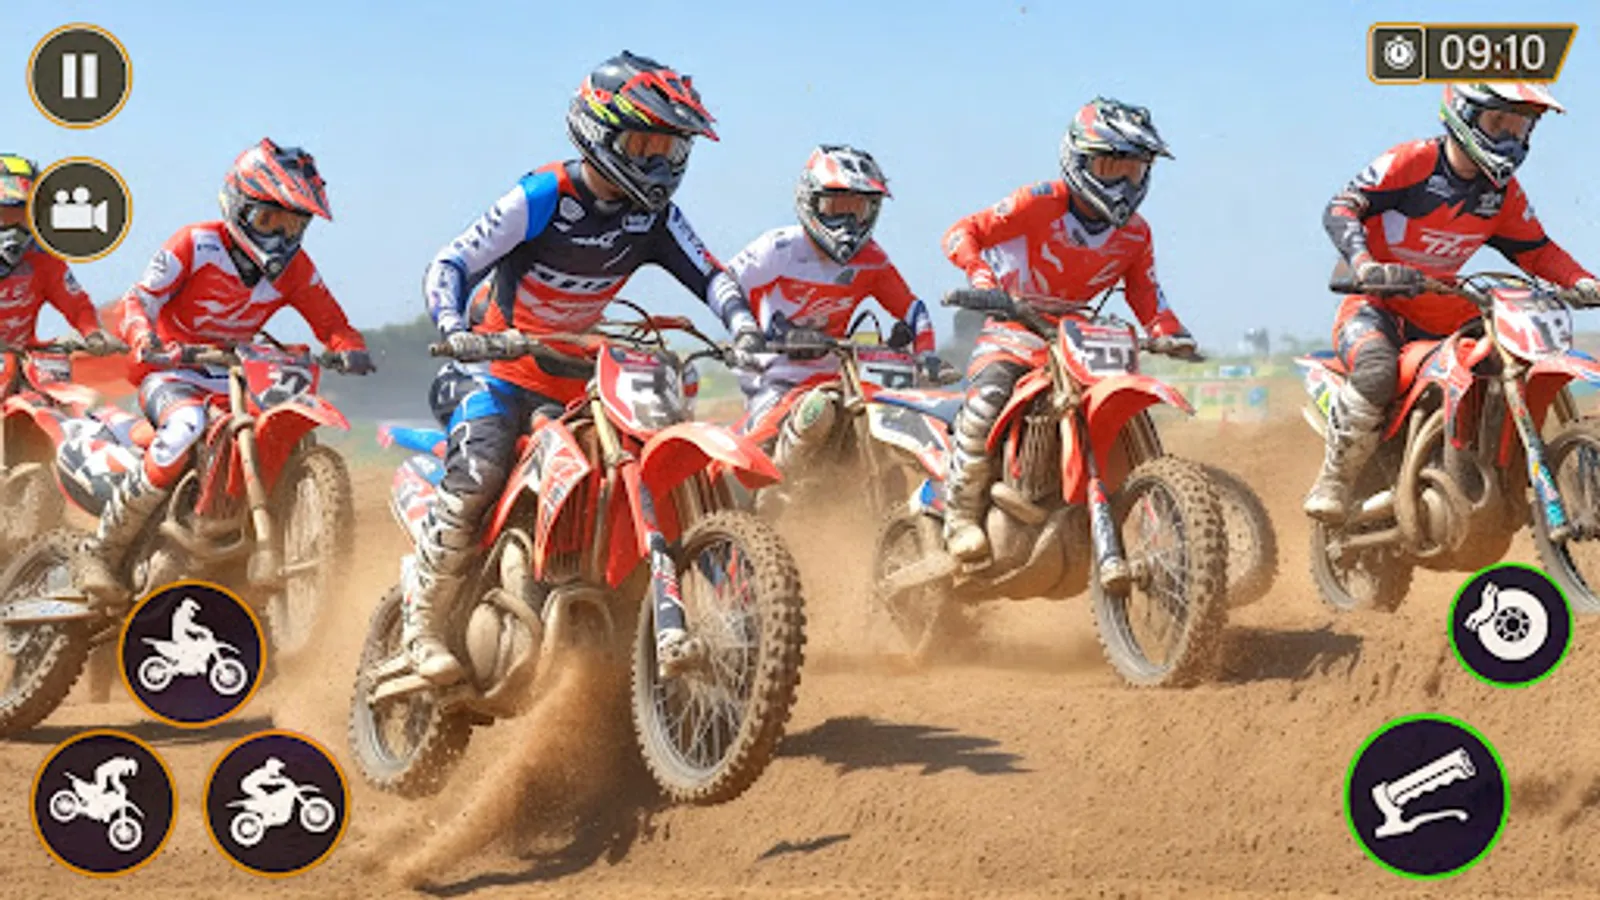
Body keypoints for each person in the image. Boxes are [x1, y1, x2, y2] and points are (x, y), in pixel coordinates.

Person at [404, 51, 765, 685]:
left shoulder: (653, 216)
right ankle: (423, 626)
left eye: (670, 148)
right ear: (600, 131)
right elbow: (451, 263)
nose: (659, 162)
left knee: (641, 453)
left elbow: (712, 275)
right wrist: (455, 329)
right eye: (646, 144)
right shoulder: (544, 195)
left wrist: (742, 327)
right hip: (493, 371)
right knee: (480, 473)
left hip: (578, 377)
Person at [76, 139, 374, 604]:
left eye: (294, 224)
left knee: (275, 425)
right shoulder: (196, 243)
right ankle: (101, 551)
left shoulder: (295, 269)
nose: (281, 235)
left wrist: (350, 349)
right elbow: (140, 299)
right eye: (269, 219)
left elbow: (333, 324)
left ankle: (243, 531)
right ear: (238, 206)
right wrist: (144, 337)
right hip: (173, 370)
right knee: (185, 426)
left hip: (236, 374)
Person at [1304, 82, 1600, 520]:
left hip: (1446, 306)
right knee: (1376, 370)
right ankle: (1335, 479)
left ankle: (1494, 468)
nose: (1509, 139)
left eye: (1520, 128)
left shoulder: (1500, 193)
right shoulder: (1413, 162)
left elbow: (1537, 251)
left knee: (1514, 354)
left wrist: (1585, 281)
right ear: (1464, 113)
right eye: (1498, 123)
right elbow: (1342, 207)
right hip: (1378, 304)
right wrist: (1365, 264)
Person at [940, 98, 1197, 562]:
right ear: (1078, 159)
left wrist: (1167, 330)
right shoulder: (1039, 202)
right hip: (1014, 325)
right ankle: (959, 517)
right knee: (987, 401)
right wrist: (981, 278)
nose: (1123, 183)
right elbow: (962, 232)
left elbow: (1146, 292)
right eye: (1111, 167)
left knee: (1118, 401)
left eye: (1134, 170)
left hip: (1080, 336)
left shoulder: (1136, 233)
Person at [728, 144, 954, 469]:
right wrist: (750, 332)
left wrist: (926, 356)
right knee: (814, 416)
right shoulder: (777, 249)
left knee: (894, 421)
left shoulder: (872, 260)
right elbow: (723, 286)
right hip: (774, 376)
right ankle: (778, 483)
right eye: (837, 207)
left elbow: (913, 310)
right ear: (810, 201)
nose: (848, 222)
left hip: (844, 378)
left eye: (858, 209)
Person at [0, 154, 114, 356]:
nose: (16, 226)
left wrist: (92, 334)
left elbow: (76, 304)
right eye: (6, 215)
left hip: (19, 359)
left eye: (24, 216)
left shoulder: (42, 258)